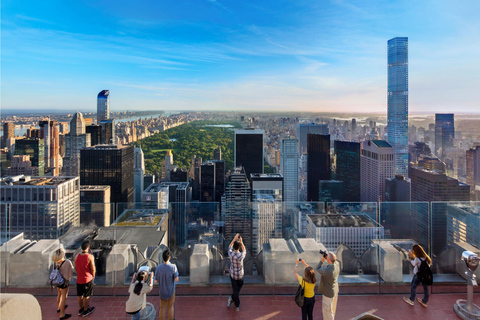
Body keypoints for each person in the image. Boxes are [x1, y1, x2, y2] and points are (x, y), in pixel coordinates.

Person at [155, 248, 178, 320]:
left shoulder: (158, 268)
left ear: (162, 258)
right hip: (170, 291)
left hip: (162, 291)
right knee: (170, 307)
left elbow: (155, 281)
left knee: (162, 308)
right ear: (169, 257)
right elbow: (176, 280)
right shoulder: (173, 267)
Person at [74, 240, 96, 318]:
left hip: (79, 279)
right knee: (87, 295)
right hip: (87, 279)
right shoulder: (90, 257)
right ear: (88, 247)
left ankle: (81, 309)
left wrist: (80, 274)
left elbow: (76, 268)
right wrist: (93, 276)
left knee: (79, 295)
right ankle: (86, 310)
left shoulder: (76, 257)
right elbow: (93, 268)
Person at [227, 233, 246, 312]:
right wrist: (241, 242)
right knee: (237, 290)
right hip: (240, 276)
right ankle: (237, 305)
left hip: (233, 275)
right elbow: (244, 250)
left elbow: (229, 247)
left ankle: (232, 298)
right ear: (239, 248)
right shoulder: (241, 256)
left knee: (235, 290)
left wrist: (234, 239)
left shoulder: (231, 254)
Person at [317, 251, 340, 320]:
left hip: (328, 294)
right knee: (332, 309)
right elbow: (333, 259)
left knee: (328, 312)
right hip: (335, 290)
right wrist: (328, 256)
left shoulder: (327, 271)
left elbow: (318, 268)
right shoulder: (337, 264)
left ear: (328, 259)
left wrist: (322, 261)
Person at [52, 248, 73, 320]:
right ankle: (62, 314)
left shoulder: (56, 262)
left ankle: (58, 307)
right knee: (64, 296)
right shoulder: (67, 262)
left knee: (59, 294)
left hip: (58, 280)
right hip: (64, 281)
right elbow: (71, 271)